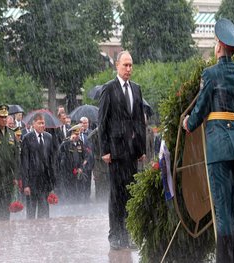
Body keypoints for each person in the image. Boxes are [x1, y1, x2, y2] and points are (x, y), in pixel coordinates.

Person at [183, 18, 234, 263]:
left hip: (219, 147)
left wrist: (188, 123)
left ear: (220, 46)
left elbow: (200, 110)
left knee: (222, 212)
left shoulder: (210, 73)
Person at [98, 50, 146, 250]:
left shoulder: (136, 89)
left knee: (131, 195)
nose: (129, 69)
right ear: (117, 65)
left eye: (131, 65)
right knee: (117, 195)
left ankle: (129, 234)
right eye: (125, 65)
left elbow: (139, 121)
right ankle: (115, 235)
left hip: (132, 152)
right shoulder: (109, 89)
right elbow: (102, 121)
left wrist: (142, 148)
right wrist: (105, 150)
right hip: (116, 152)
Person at [21, 113, 56, 219]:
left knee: (44, 211)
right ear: (34, 124)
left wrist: (52, 182)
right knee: (31, 212)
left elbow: (51, 160)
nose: (42, 125)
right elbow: (24, 161)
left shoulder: (48, 137)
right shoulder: (27, 138)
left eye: (43, 123)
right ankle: (32, 233)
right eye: (39, 123)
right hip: (32, 180)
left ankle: (43, 233)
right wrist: (26, 184)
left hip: (45, 181)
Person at [58, 124, 87, 202]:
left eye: (79, 134)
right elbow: (60, 151)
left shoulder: (80, 143)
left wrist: (81, 168)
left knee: (78, 191)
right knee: (69, 191)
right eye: (76, 134)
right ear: (72, 134)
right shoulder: (66, 143)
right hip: (68, 172)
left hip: (78, 171)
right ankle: (69, 205)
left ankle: (77, 205)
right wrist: (70, 141)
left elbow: (83, 157)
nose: (78, 136)